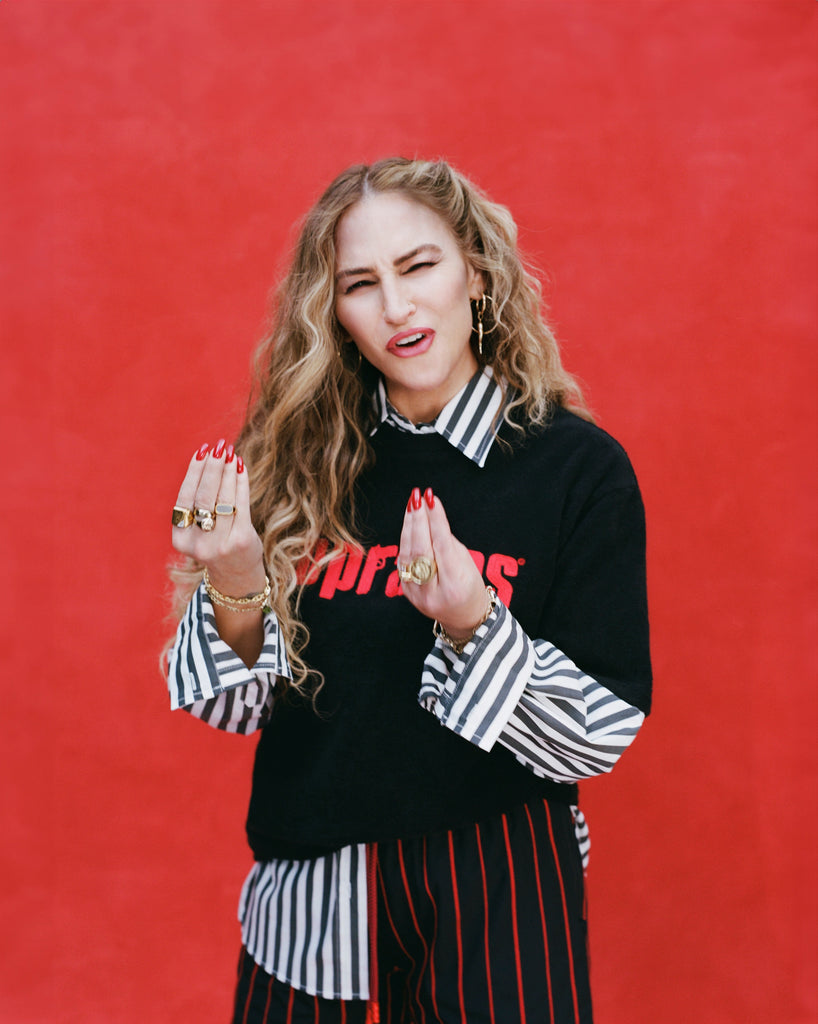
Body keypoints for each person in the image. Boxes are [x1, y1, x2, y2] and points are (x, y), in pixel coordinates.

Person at [166, 157, 651, 1024]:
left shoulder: (577, 470)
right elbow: (240, 708)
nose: (395, 307)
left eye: (419, 265)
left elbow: (600, 732)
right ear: (334, 314)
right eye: (360, 284)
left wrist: (472, 622)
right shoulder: (300, 466)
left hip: (505, 891)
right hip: (314, 905)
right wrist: (236, 575)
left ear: (477, 269)